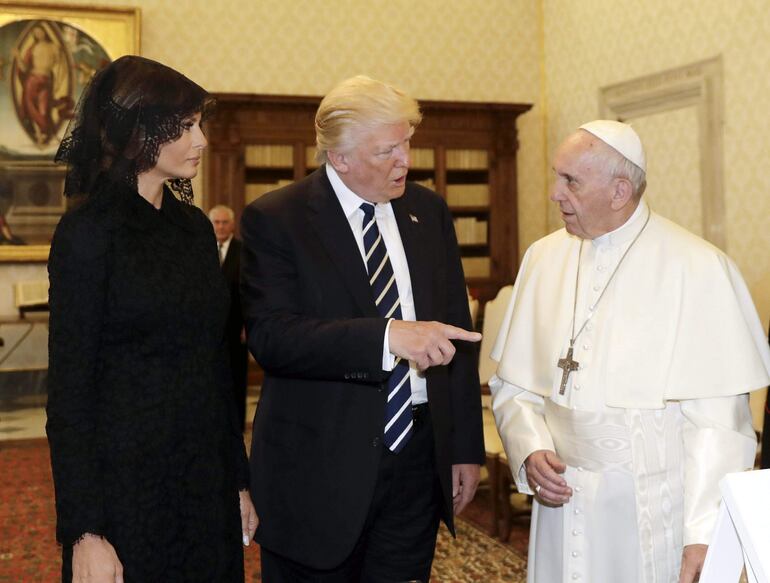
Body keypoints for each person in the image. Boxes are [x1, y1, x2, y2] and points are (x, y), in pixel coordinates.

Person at [489, 120, 770, 583]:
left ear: (619, 191)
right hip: (560, 501)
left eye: (571, 181)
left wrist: (703, 532)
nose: (555, 194)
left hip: (652, 511)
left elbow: (718, 425)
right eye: (558, 177)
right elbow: (513, 386)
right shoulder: (542, 258)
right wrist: (530, 448)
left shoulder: (697, 267)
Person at [241, 75, 485, 582]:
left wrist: (464, 449)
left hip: (416, 461)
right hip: (318, 469)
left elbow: (457, 335)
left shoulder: (428, 211)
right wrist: (388, 337)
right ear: (340, 157)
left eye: (407, 144)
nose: (405, 161)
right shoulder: (278, 218)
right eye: (387, 151)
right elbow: (273, 338)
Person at [46, 55, 257, 583]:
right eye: (184, 127)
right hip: (125, 489)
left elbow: (215, 367)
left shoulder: (195, 229)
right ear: (137, 131)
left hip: (205, 480)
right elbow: (70, 394)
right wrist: (84, 531)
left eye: (199, 124)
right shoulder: (88, 235)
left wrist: (238, 480)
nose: (201, 140)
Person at [209, 204, 249, 432]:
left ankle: (236, 426)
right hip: (210, 329)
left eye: (225, 222)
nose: (221, 227)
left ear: (232, 225)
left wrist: (248, 324)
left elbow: (250, 291)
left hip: (236, 326)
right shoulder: (202, 249)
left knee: (236, 378)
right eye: (217, 222)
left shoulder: (244, 251)